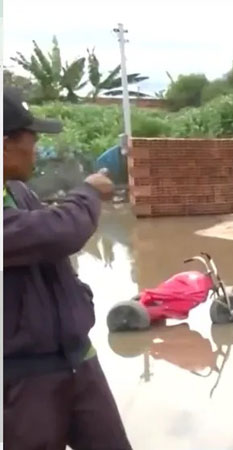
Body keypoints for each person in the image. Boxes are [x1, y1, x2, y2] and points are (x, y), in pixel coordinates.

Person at [3, 87, 131, 449]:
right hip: (23, 378)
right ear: (5, 143)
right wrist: (87, 193)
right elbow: (57, 233)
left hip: (77, 359)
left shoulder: (17, 190)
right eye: (33, 136)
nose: (37, 146)